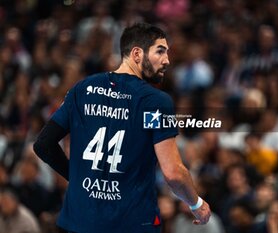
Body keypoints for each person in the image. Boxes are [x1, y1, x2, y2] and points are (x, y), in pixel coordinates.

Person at [33, 22, 211, 233]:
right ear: (137, 53)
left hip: (80, 220)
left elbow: (43, 144)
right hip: (131, 222)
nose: (167, 60)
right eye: (160, 52)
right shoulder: (155, 102)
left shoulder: (83, 89)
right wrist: (196, 204)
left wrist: (76, 176)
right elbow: (173, 173)